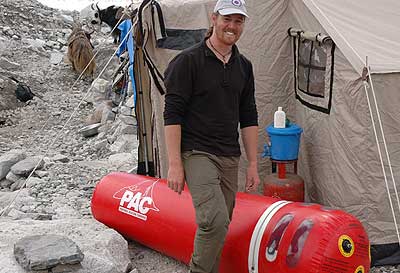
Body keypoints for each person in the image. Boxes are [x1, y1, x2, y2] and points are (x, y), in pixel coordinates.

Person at [163, 0, 259, 272]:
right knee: (213, 221)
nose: (232, 26)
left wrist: (252, 164)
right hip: (196, 151)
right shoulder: (187, 61)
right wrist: (174, 164)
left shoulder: (244, 66)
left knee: (221, 225)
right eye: (227, 19)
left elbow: (248, 115)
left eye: (239, 21)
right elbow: (172, 114)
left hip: (229, 154)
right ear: (214, 19)